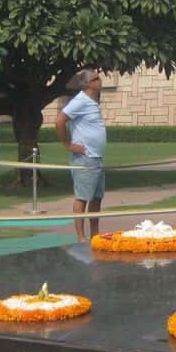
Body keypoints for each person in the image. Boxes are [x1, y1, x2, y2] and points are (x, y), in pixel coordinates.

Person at [56, 69, 106, 241]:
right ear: (87, 83)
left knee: (96, 198)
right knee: (83, 197)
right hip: (85, 158)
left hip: (96, 157)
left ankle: (95, 235)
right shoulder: (80, 101)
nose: (100, 80)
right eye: (96, 78)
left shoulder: (93, 101)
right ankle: (81, 237)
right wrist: (68, 144)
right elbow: (60, 120)